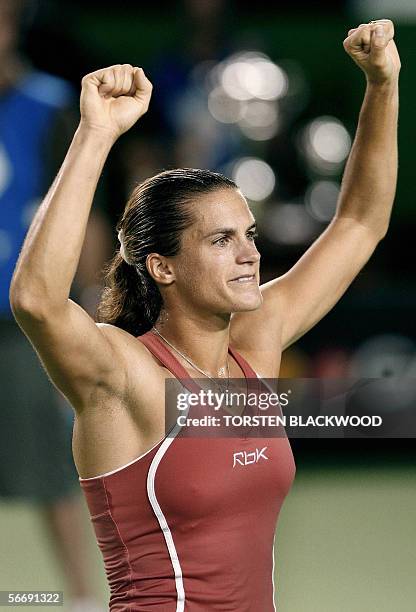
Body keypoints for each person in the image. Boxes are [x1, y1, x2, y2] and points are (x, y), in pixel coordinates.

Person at [9, 18, 400, 611]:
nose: (250, 254)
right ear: (162, 266)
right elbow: (37, 300)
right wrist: (95, 133)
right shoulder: (125, 375)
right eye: (221, 241)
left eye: (247, 234)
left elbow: (359, 222)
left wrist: (382, 86)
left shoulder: (254, 349)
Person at [0, 1, 109, 610]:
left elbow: (83, 208)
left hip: (23, 319)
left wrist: (89, 303)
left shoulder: (50, 106)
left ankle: (83, 597)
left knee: (51, 463)